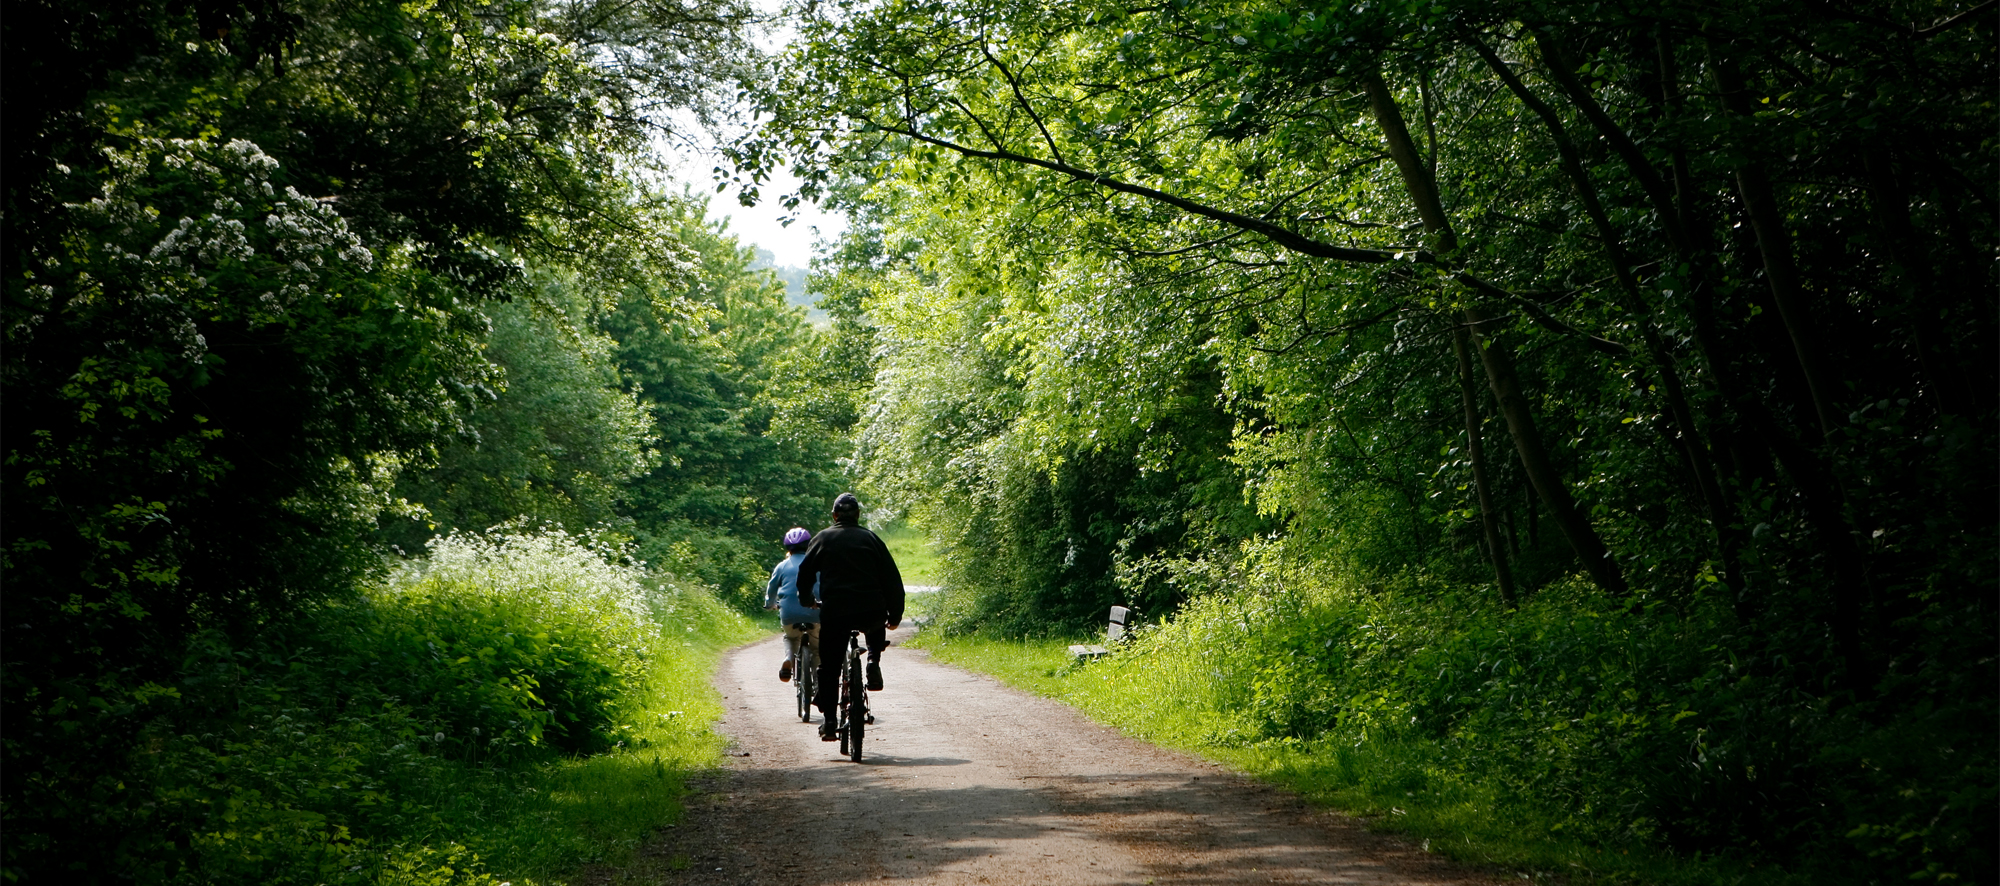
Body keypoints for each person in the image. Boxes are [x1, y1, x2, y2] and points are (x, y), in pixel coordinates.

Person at [796, 492, 904, 740]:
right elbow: (892, 580)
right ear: (857, 515)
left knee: (830, 667)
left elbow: (805, 574)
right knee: (876, 619)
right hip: (871, 610)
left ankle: (830, 721)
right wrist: (895, 615)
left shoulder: (822, 539)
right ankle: (873, 660)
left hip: (836, 612)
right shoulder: (871, 539)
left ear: (834, 516)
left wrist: (807, 601)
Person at [763, 527, 820, 684]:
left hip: (789, 613)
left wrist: (770, 604)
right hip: (815, 611)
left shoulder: (782, 566)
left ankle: (789, 658)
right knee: (817, 648)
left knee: (790, 637)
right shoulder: (816, 563)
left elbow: (772, 587)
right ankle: (817, 679)